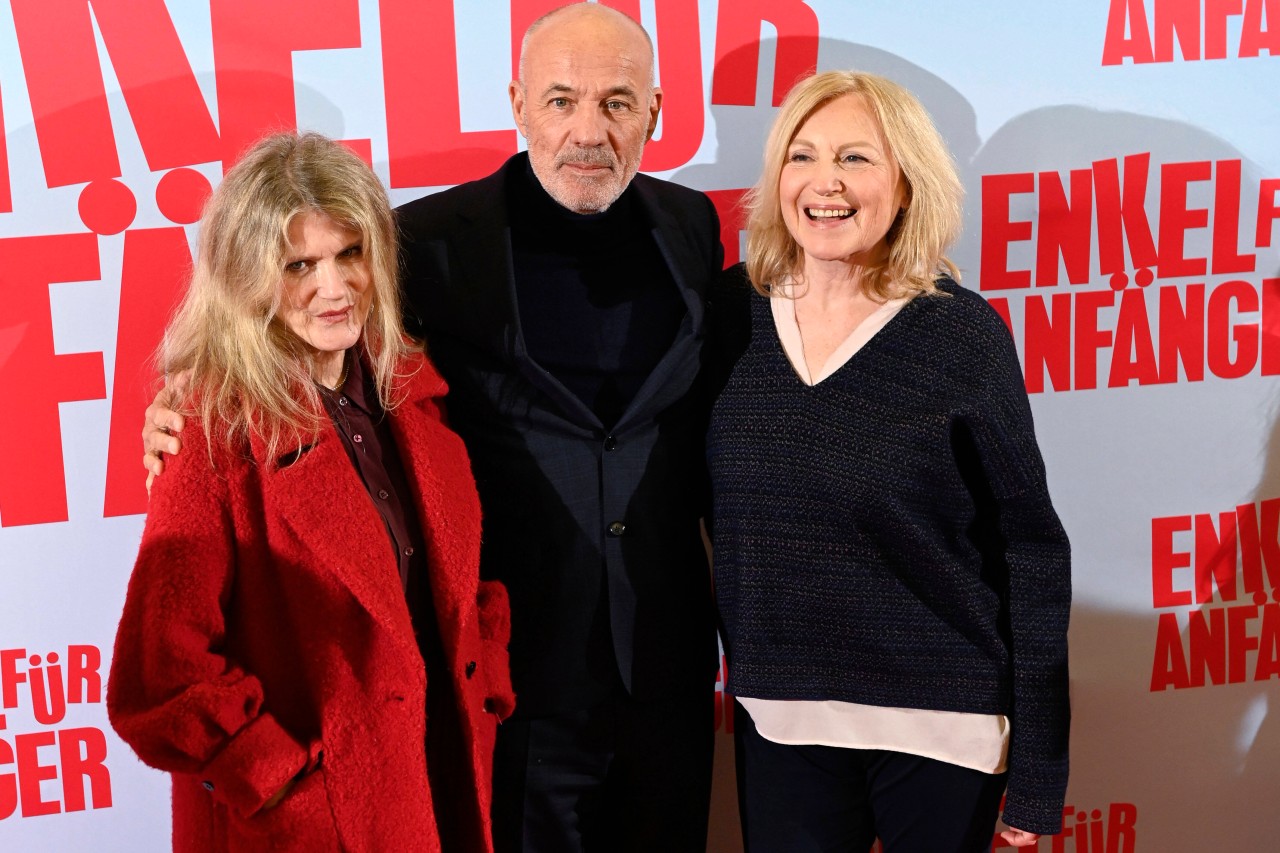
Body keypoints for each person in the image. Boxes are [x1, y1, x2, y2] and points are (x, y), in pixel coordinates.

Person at [143, 5, 722, 851]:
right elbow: (289, 330)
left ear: (657, 112)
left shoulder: (693, 226)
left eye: (618, 102)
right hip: (516, 681)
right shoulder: (427, 243)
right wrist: (184, 400)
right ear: (519, 103)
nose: (588, 130)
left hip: (666, 665)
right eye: (562, 100)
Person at [112, 132, 515, 853]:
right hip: (307, 824)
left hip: (437, 784)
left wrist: (484, 675)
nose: (334, 288)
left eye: (350, 254)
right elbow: (160, 677)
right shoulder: (210, 427)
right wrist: (282, 785)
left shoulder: (412, 391)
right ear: (247, 277)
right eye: (299, 265)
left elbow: (451, 575)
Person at [705, 70, 1071, 852]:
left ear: (905, 184)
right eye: (801, 156)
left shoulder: (960, 336)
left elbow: (1032, 554)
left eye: (856, 159)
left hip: (942, 732)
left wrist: (1039, 775)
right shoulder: (730, 313)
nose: (824, 182)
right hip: (782, 720)